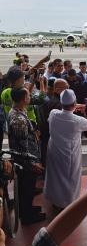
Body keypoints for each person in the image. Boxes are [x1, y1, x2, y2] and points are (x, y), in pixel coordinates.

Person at [44, 89, 87, 210]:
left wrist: (73, 108)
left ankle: (55, 201)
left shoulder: (53, 113)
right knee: (69, 178)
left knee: (55, 177)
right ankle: (67, 203)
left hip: (54, 151)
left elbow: (59, 115)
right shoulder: (77, 121)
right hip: (69, 154)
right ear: (74, 104)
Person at [8, 87, 45, 224]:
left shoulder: (19, 111)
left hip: (25, 160)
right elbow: (22, 146)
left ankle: (27, 209)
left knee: (27, 187)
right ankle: (27, 216)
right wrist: (32, 163)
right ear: (24, 98)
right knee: (26, 188)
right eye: (28, 95)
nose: (30, 97)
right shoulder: (18, 119)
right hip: (25, 162)